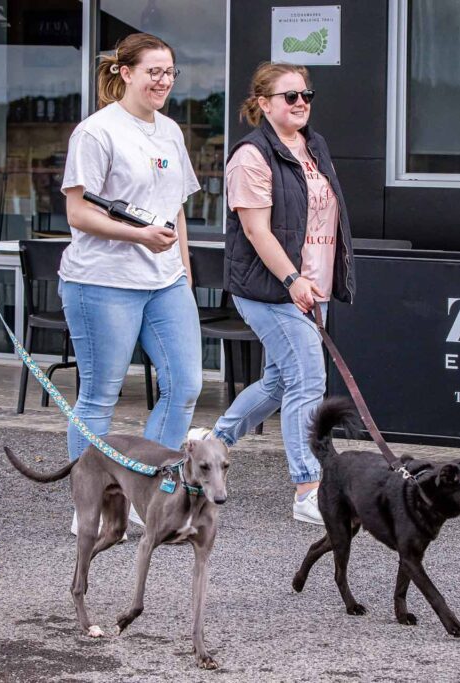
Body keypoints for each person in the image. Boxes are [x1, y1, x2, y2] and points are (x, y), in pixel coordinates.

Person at [189, 62, 355, 525]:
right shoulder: (251, 156)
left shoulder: (313, 146)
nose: (301, 103)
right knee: (308, 381)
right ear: (264, 104)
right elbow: (258, 232)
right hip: (270, 290)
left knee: (281, 382)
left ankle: (214, 442)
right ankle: (309, 487)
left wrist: (321, 278)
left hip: (311, 285)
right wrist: (291, 280)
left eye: (306, 94)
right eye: (290, 96)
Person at [60, 33, 202, 532]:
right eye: (153, 72)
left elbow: (177, 211)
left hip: (164, 282)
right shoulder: (97, 132)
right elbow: (77, 212)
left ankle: (152, 490)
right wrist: (138, 235)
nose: (163, 81)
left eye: (169, 72)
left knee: (184, 384)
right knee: (101, 393)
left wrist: (183, 275)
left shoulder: (170, 132)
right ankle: (90, 506)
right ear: (125, 73)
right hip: (103, 280)